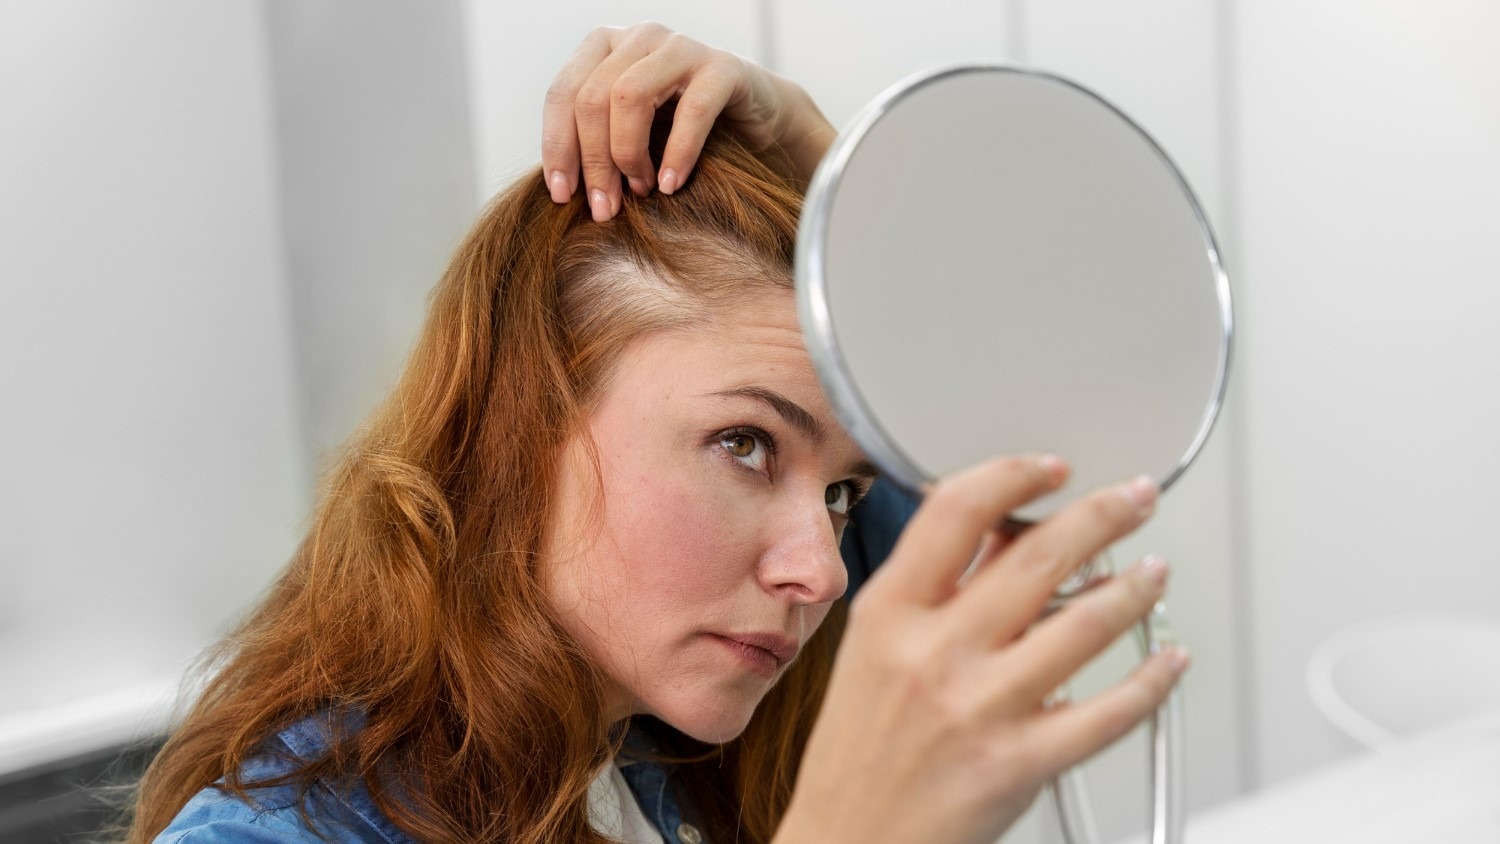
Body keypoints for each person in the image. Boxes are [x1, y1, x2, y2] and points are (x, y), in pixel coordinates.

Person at [129, 23, 1186, 844]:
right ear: (521, 425)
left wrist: (835, 184)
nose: (820, 571)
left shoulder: (644, 745)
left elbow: (1021, 457)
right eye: (745, 443)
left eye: (844, 494)